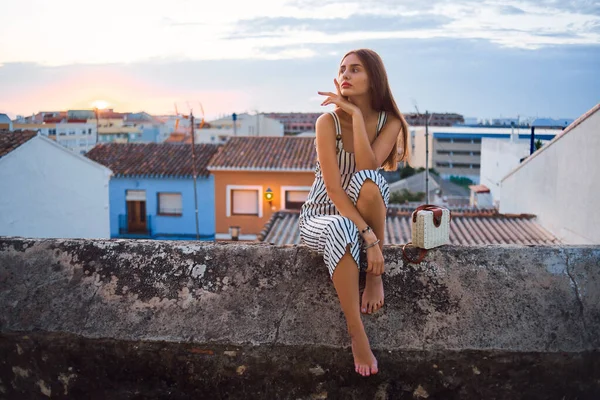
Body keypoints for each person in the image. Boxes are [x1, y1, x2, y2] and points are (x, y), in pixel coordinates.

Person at [299, 49, 409, 377]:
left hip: (361, 212)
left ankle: (374, 277)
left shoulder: (390, 123)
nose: (345, 75)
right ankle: (356, 333)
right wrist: (370, 239)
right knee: (341, 228)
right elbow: (333, 190)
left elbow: (366, 168)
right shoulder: (326, 122)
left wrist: (358, 117)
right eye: (342, 69)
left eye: (355, 69)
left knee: (370, 181)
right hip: (321, 215)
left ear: (373, 78)